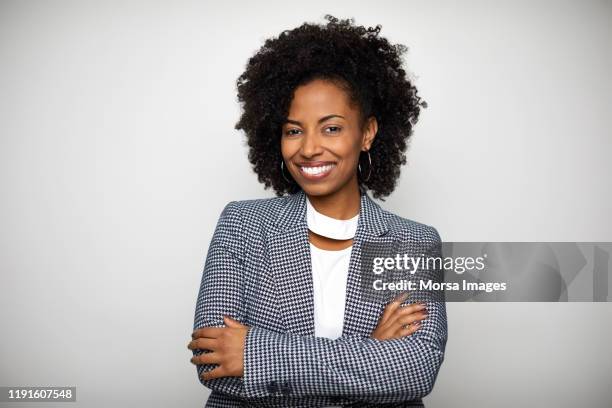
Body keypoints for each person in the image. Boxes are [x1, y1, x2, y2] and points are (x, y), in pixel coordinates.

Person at [187, 14, 447, 407]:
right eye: (293, 130)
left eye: (331, 128)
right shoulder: (241, 225)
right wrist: (371, 353)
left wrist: (255, 354)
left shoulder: (414, 242)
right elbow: (213, 364)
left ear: (368, 132)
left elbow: (417, 368)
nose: (308, 148)